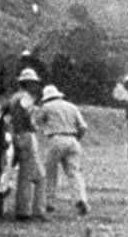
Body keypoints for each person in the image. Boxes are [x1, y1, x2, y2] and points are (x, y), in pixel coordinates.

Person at [35, 84, 89, 216]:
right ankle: (81, 199)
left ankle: (50, 202)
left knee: (50, 172)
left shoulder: (46, 107)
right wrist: (76, 138)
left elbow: (36, 122)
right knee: (74, 173)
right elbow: (83, 127)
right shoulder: (71, 106)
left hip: (55, 138)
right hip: (72, 139)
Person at [6, 67, 47, 221]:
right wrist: (35, 124)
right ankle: (26, 211)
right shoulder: (26, 98)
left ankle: (34, 210)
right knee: (28, 175)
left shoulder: (13, 98)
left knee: (35, 174)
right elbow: (30, 119)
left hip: (15, 134)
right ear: (28, 83)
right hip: (26, 135)